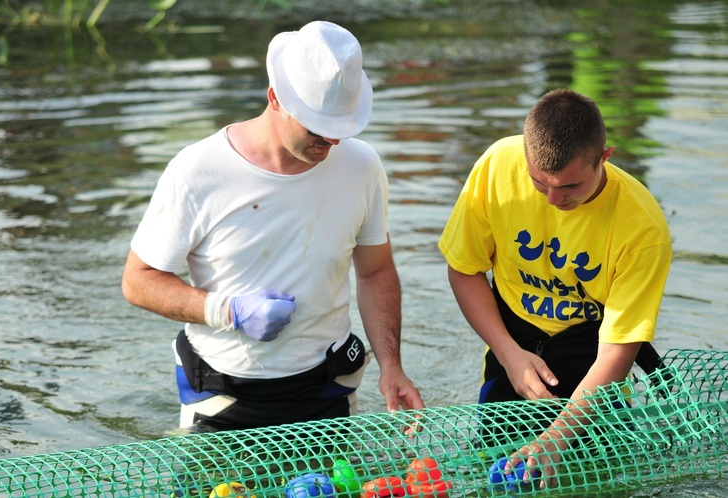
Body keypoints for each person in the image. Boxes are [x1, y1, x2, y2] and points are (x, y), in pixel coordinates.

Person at [121, 20, 424, 432]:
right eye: (319, 127)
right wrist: (227, 310)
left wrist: (392, 365)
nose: (332, 142)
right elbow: (137, 281)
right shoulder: (198, 171)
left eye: (341, 128)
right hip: (222, 396)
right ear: (275, 99)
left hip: (329, 389)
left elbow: (376, 270)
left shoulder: (362, 165)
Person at [438, 89, 672, 487]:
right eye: (538, 182)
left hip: (591, 347)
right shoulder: (497, 166)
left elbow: (619, 347)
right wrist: (509, 354)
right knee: (494, 471)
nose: (552, 199)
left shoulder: (643, 227)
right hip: (512, 333)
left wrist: (556, 438)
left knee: (600, 478)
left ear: (604, 157)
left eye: (570, 187)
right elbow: (464, 270)